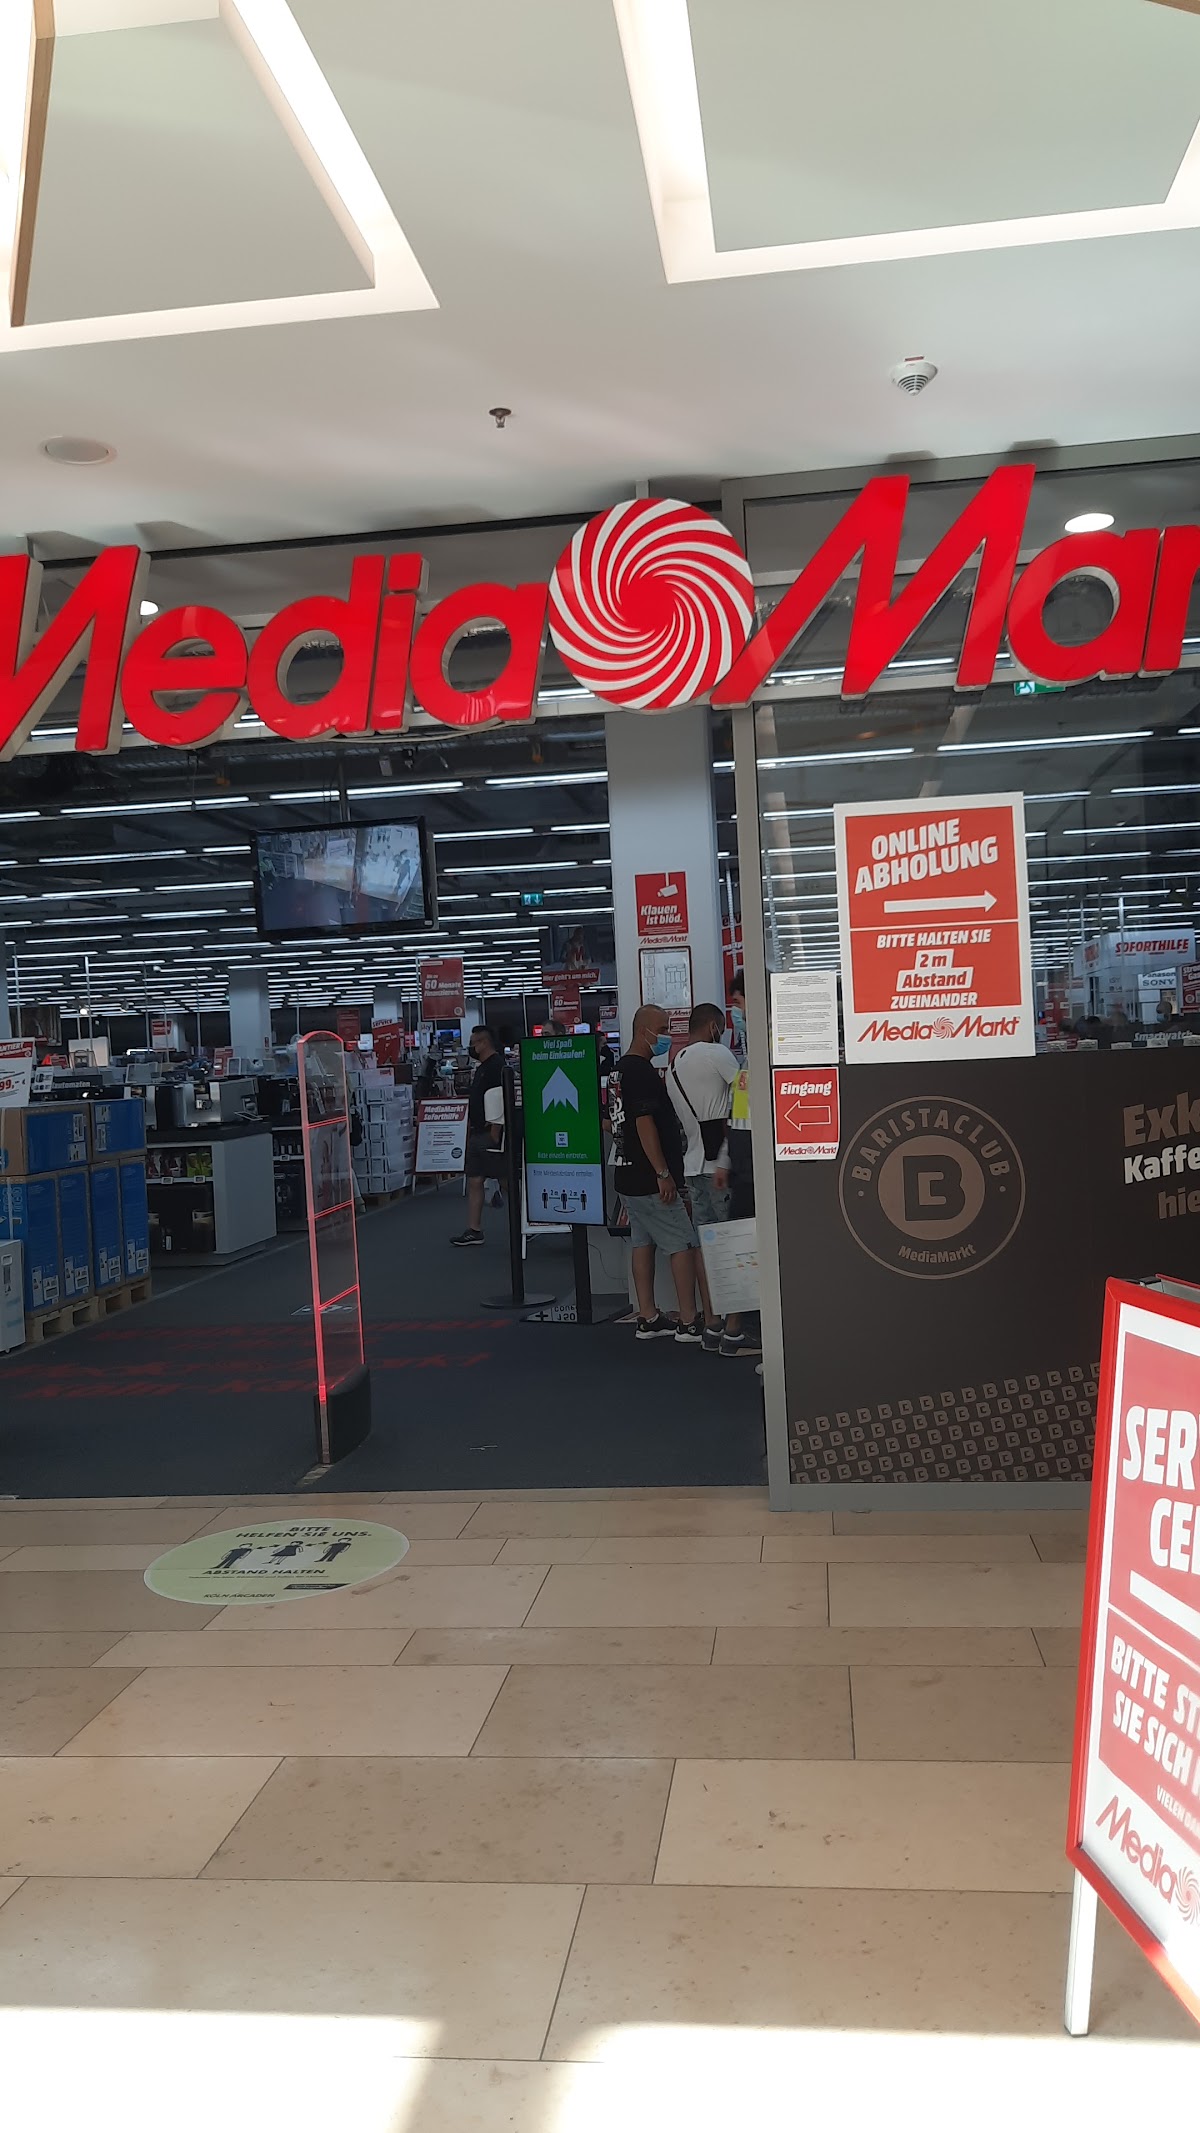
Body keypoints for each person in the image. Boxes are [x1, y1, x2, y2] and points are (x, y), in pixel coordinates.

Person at [609, 1002, 702, 1342]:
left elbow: (613, 1121)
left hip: (626, 1175)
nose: (666, 1036)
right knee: (682, 1244)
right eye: (662, 1029)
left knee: (642, 1242)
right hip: (650, 1179)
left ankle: (647, 1316)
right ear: (643, 1031)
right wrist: (663, 1172)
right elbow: (644, 1123)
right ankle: (689, 1321)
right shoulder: (642, 1073)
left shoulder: (618, 1072)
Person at [667, 1001, 737, 1353]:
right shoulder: (717, 1054)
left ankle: (712, 1322)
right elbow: (746, 1096)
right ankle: (735, 1327)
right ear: (713, 1026)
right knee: (732, 1244)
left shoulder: (673, 1066)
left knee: (705, 1246)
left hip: (692, 1166)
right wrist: (727, 1156)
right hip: (720, 1166)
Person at [712, 970, 760, 1358]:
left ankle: (732, 1326)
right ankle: (732, 1328)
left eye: (739, 1003)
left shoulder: (774, 1051)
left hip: (761, 1166)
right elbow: (738, 1115)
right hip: (746, 1166)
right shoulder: (747, 1060)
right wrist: (726, 1159)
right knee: (743, 1244)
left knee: (745, 1243)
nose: (736, 1013)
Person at [450, 1025, 504, 1246]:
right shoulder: (482, 1068)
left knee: (506, 1180)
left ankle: (524, 1222)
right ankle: (474, 1229)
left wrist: (496, 1131)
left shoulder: (497, 1066)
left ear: (483, 1042)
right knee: (474, 1180)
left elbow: (502, 1098)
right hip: (478, 1132)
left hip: (490, 1133)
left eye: (473, 1043)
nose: (471, 1047)